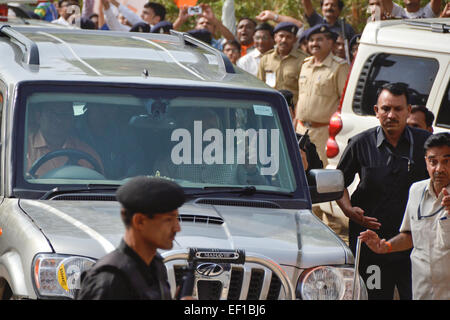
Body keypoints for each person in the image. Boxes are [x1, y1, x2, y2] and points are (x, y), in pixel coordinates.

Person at [336, 82, 432, 300]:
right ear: (376, 111)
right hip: (371, 243)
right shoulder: (360, 143)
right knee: (374, 296)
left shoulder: (426, 145)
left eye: (398, 109)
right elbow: (337, 182)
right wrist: (348, 210)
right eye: (386, 109)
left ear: (408, 111)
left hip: (414, 244)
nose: (391, 115)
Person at [359, 132, 450, 300]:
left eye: (446, 161)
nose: (439, 169)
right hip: (422, 288)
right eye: (433, 162)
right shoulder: (416, 190)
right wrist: (385, 246)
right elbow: (410, 235)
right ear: (426, 162)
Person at [76, 176, 186, 300]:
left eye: (176, 219)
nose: (177, 228)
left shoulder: (156, 265)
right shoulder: (110, 280)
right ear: (139, 221)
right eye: (168, 220)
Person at [295, 24, 349, 167]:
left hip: (323, 133)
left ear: (330, 42)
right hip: (300, 129)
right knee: (299, 170)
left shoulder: (339, 66)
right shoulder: (305, 64)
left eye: (319, 39)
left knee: (321, 173)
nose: (314, 43)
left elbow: (344, 102)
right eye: (311, 40)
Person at [27, 102, 103, 178]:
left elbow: (101, 186)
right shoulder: (22, 150)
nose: (59, 119)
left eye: (65, 114)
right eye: (52, 113)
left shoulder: (87, 152)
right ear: (38, 117)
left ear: (72, 118)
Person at [257, 22, 308, 106]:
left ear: (295, 40)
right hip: (269, 106)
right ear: (275, 37)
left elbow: (305, 91)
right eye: (281, 36)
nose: (284, 40)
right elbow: (260, 86)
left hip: (292, 109)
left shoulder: (303, 60)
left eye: (289, 37)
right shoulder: (266, 58)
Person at [280, 89, 323, 172]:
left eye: (286, 113)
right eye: (277, 113)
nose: (281, 118)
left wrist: (305, 169)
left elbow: (318, 180)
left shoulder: (306, 147)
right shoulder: (259, 145)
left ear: (293, 114)